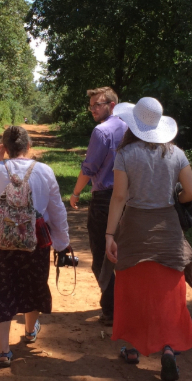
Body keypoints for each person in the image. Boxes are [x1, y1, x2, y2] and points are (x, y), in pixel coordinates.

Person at [104, 97, 192, 381]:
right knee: (168, 291)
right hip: (168, 230)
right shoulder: (176, 154)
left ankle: (134, 349)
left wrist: (110, 234)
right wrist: (177, 198)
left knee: (135, 288)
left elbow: (120, 197)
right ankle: (169, 350)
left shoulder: (125, 155)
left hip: (136, 228)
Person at [0, 125, 72, 368]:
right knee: (33, 284)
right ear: (29, 147)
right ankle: (30, 331)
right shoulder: (45, 171)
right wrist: (62, 243)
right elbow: (57, 209)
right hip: (35, 238)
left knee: (0, 288)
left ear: (5, 148)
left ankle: (3, 351)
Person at [69, 86, 127, 325]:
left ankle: (112, 310)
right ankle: (126, 306)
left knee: (101, 259)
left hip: (104, 199)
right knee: (124, 256)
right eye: (91, 105)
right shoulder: (131, 128)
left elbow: (89, 167)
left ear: (112, 105)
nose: (93, 109)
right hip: (130, 199)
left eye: (98, 105)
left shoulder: (101, 132)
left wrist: (75, 193)